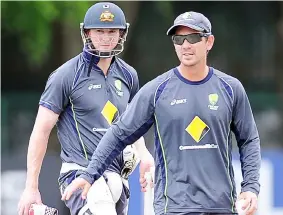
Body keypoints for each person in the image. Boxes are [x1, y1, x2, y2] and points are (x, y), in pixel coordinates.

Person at [61, 11, 261, 215]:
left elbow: (249, 140)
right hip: (173, 208)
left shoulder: (230, 88)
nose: (185, 45)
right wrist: (90, 174)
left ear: (209, 42)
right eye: (178, 39)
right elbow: (119, 134)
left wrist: (251, 187)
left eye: (193, 37)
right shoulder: (157, 90)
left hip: (222, 207)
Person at [18, 2, 153, 215]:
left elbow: (131, 124)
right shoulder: (66, 75)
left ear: (122, 34)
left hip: (117, 177)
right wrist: (30, 187)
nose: (106, 37)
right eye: (99, 31)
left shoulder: (129, 75)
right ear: (87, 32)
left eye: (112, 31)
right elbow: (41, 131)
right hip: (78, 171)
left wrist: (144, 154)